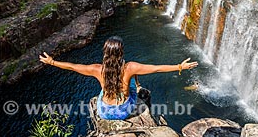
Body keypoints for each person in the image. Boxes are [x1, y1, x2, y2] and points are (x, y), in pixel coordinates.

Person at [39, 36, 198, 120]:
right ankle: (135, 88)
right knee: (135, 92)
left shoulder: (97, 69)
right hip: (123, 112)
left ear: (105, 53)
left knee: (102, 93)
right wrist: (179, 66)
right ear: (120, 52)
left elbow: (72, 66)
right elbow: (156, 68)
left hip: (104, 112)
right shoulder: (130, 67)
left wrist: (51, 61)